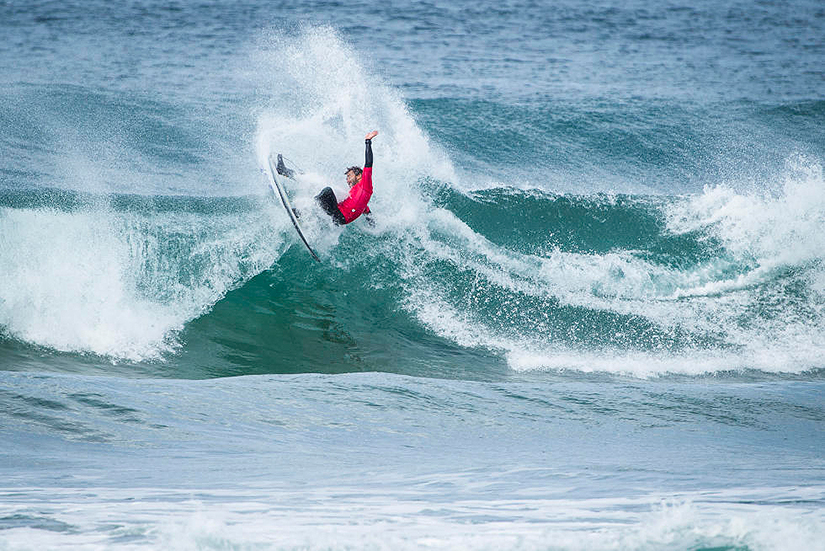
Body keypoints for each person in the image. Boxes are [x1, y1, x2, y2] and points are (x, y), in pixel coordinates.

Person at [314, 131, 378, 225]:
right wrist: (373, 224)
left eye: (349, 176)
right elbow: (366, 211)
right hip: (336, 215)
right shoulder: (356, 194)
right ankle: (306, 216)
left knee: (328, 191)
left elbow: (368, 163)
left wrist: (368, 141)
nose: (347, 180)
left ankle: (304, 211)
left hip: (340, 216)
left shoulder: (365, 185)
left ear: (359, 175)